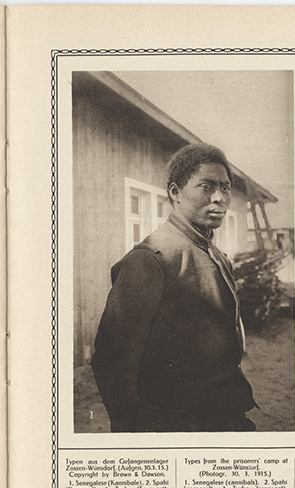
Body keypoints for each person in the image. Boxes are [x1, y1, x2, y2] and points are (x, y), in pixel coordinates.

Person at [91, 144, 257, 432]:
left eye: (226, 188)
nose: (219, 198)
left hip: (222, 418)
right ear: (175, 193)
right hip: (175, 424)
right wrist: (132, 432)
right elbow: (112, 359)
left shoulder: (214, 254)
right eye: (206, 187)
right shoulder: (149, 260)